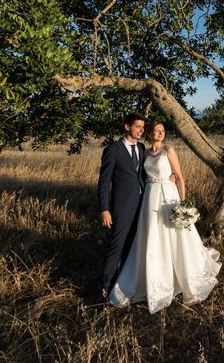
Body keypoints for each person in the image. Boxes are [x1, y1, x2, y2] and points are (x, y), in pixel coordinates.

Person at [109, 122, 221, 313]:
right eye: (157, 131)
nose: (161, 133)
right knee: (152, 235)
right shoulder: (144, 152)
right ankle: (152, 276)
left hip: (168, 197)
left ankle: (183, 275)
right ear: (150, 133)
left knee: (174, 235)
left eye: (163, 131)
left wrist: (182, 204)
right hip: (150, 199)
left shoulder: (169, 151)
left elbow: (179, 176)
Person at [96, 113, 146, 303]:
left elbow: (145, 174)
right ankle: (104, 287)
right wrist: (104, 209)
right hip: (122, 206)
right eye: (138, 126)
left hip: (142, 205)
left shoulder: (141, 148)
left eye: (143, 127)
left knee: (132, 245)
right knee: (117, 246)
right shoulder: (113, 150)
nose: (141, 130)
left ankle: (122, 284)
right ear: (127, 127)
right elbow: (103, 182)